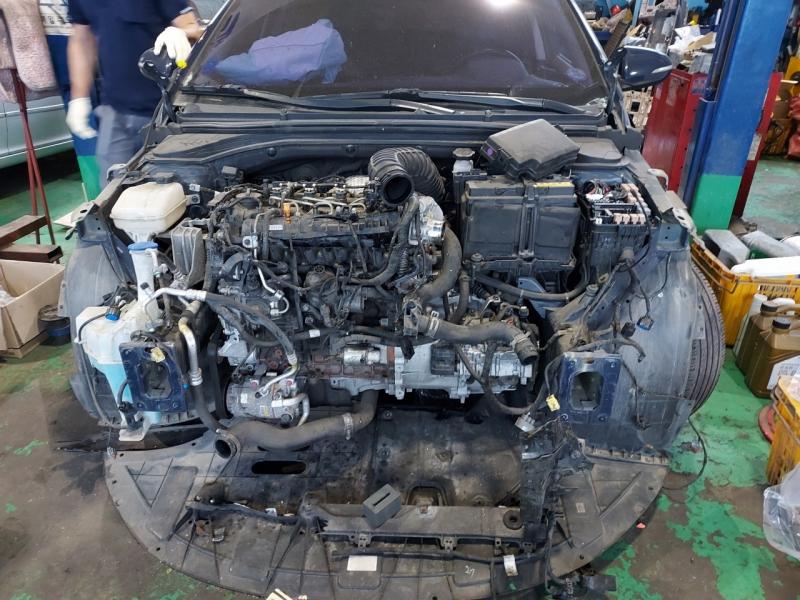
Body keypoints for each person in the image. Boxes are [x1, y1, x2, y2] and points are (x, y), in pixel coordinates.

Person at [66, 1, 202, 186]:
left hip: (165, 114)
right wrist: (78, 98)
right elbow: (81, 38)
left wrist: (180, 33)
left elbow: (195, 29)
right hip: (115, 111)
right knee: (112, 190)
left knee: (173, 189)